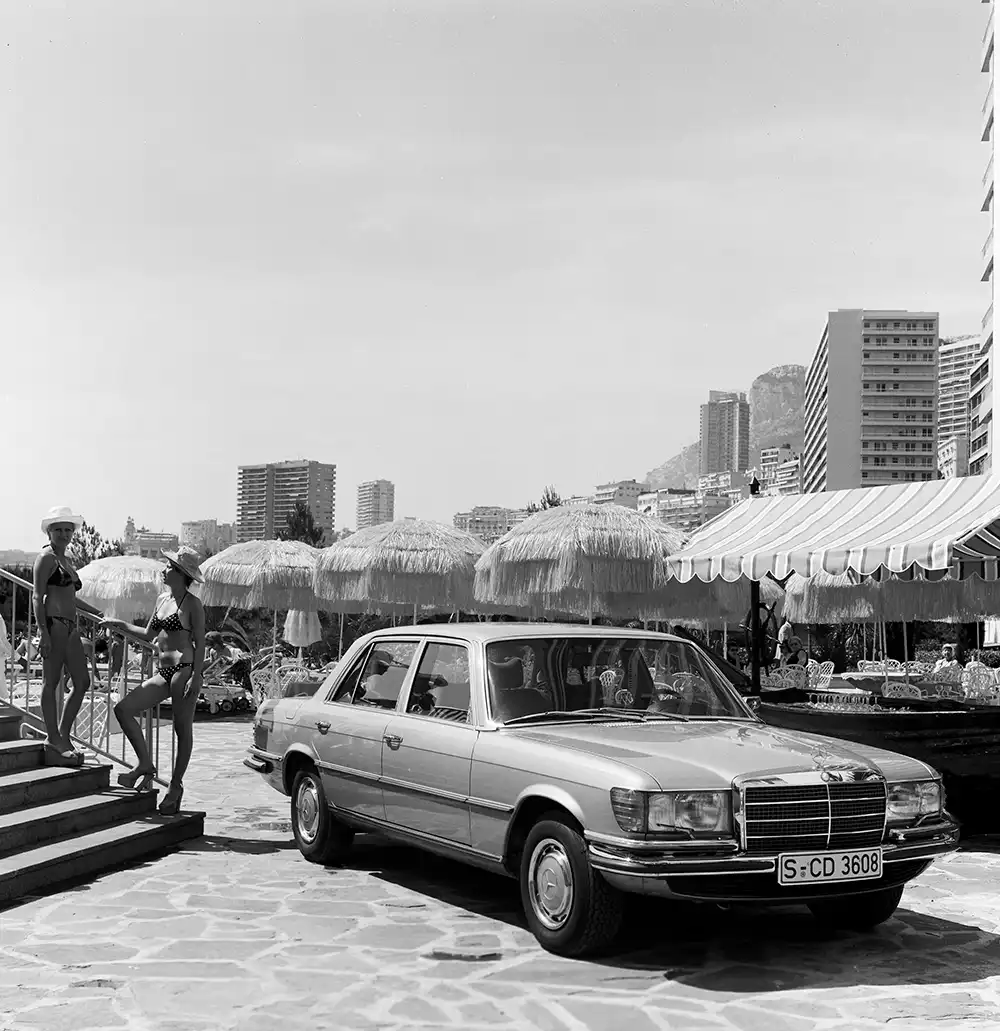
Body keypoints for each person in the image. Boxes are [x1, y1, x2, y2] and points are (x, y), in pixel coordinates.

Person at [102, 548, 206, 814]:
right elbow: (148, 635)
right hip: (165, 672)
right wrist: (120, 624)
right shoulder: (162, 599)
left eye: (169, 566)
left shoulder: (193, 604)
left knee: (182, 731)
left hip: (184, 671)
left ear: (182, 574)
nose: (164, 569)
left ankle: (175, 786)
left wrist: (196, 677)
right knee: (123, 709)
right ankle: (145, 763)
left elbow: (201, 643)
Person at [32, 506, 106, 766]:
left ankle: (62, 735)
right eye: (59, 529)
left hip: (71, 627)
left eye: (68, 529)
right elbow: (37, 595)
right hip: (53, 625)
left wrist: (99, 613)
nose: (64, 534)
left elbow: (71, 597)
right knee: (50, 683)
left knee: (83, 682)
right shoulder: (46, 558)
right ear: (49, 531)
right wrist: (42, 631)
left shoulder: (67, 560)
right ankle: (53, 738)